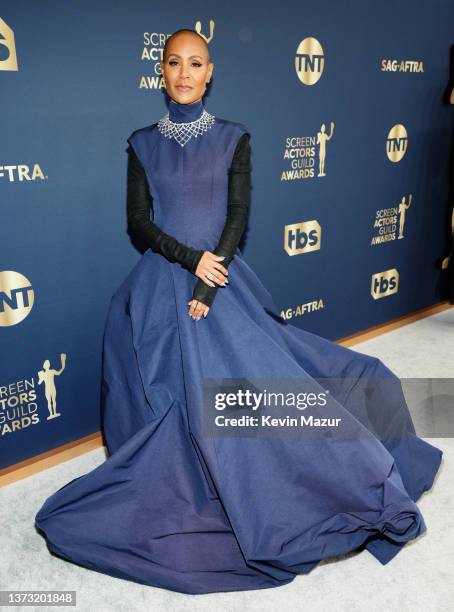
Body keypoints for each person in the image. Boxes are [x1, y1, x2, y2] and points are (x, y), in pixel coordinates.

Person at [35, 29, 443, 595]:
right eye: (173, 62)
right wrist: (189, 262)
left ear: (210, 72)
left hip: (221, 281)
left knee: (283, 373)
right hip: (160, 281)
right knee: (159, 379)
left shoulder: (234, 138)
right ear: (161, 71)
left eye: (195, 63)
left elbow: (237, 215)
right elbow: (139, 222)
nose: (184, 72)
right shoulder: (141, 142)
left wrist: (207, 283)